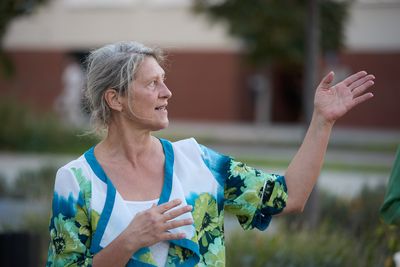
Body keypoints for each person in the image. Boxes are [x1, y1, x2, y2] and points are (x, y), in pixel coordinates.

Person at [46, 41, 375, 267]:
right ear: (115, 99)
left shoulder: (199, 161)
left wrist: (322, 121)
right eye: (152, 84)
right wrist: (130, 240)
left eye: (164, 80)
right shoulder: (76, 180)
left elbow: (289, 197)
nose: (167, 92)